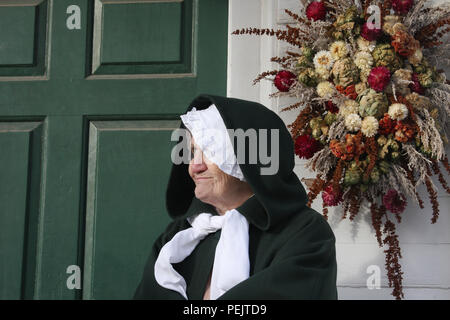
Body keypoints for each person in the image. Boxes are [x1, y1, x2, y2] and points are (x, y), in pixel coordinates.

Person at [133, 94, 337, 300]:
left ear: (251, 159)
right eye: (193, 151)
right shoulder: (179, 235)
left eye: (210, 150)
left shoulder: (304, 233)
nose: (195, 166)